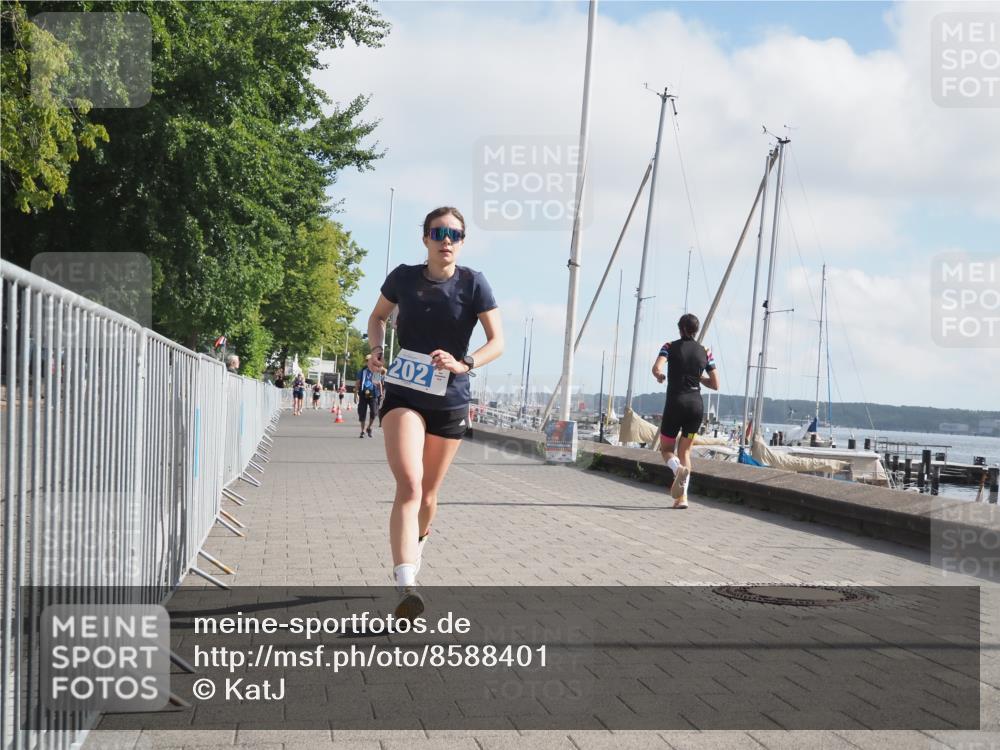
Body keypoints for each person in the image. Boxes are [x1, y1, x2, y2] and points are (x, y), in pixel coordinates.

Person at [367, 206, 503, 618]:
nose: (447, 240)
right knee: (409, 484)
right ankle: (406, 583)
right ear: (425, 237)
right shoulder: (403, 278)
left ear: (462, 242)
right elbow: (377, 317)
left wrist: (465, 364)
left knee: (428, 493)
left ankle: (418, 542)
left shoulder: (474, 283)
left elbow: (497, 341)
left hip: (451, 397)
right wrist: (375, 351)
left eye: (455, 234)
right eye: (439, 232)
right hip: (405, 393)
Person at [651, 313, 719, 509]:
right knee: (686, 451)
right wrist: (699, 379)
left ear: (680, 329)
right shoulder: (706, 351)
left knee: (666, 450)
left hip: (675, 404)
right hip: (695, 407)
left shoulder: (669, 347)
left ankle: (677, 469)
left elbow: (656, 368)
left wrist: (660, 376)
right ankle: (683, 499)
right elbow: (715, 384)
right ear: (696, 330)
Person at [355, 355, 379, 438]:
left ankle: (369, 427)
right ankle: (362, 431)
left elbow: (377, 383)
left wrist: (381, 393)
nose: (369, 362)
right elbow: (357, 383)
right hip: (363, 393)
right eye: (367, 361)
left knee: (374, 412)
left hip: (373, 394)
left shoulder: (376, 371)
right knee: (362, 413)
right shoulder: (361, 371)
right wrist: (355, 395)